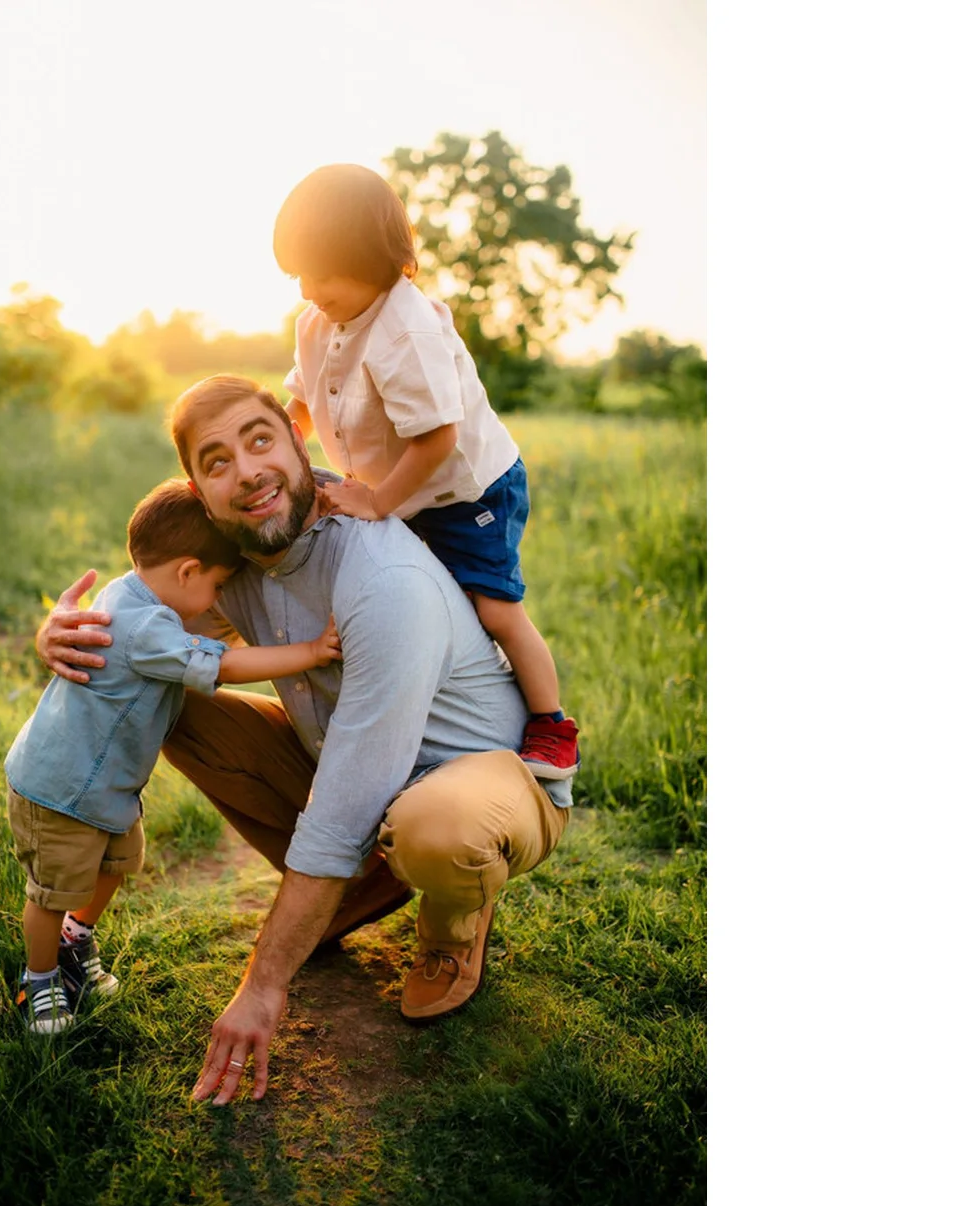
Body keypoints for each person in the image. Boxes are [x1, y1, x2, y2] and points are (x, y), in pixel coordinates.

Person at [37, 376, 574, 1101]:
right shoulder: (234, 551)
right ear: (197, 489)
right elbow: (142, 639)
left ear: (299, 439)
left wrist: (263, 985)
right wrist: (60, 634)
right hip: (349, 765)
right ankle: (356, 890)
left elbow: (347, 804)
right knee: (174, 701)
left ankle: (455, 925)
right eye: (217, 460)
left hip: (480, 779)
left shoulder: (381, 576)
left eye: (260, 440)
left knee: (435, 828)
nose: (247, 471)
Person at [270, 163, 580, 780]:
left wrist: (378, 502)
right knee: (415, 597)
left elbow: (438, 438)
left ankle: (552, 727)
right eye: (298, 274)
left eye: (321, 275)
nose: (307, 289)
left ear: (374, 261)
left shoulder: (405, 330)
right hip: (404, 487)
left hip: (468, 490)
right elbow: (302, 399)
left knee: (492, 607)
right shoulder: (319, 321)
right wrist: (277, 444)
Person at [4, 479, 340, 1035]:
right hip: (61, 789)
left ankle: (74, 942)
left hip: (106, 788)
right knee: (53, 891)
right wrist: (309, 652)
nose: (218, 598)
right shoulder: (147, 629)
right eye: (218, 585)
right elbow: (224, 665)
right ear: (187, 572)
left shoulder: (130, 591)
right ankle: (39, 980)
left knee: (114, 866)